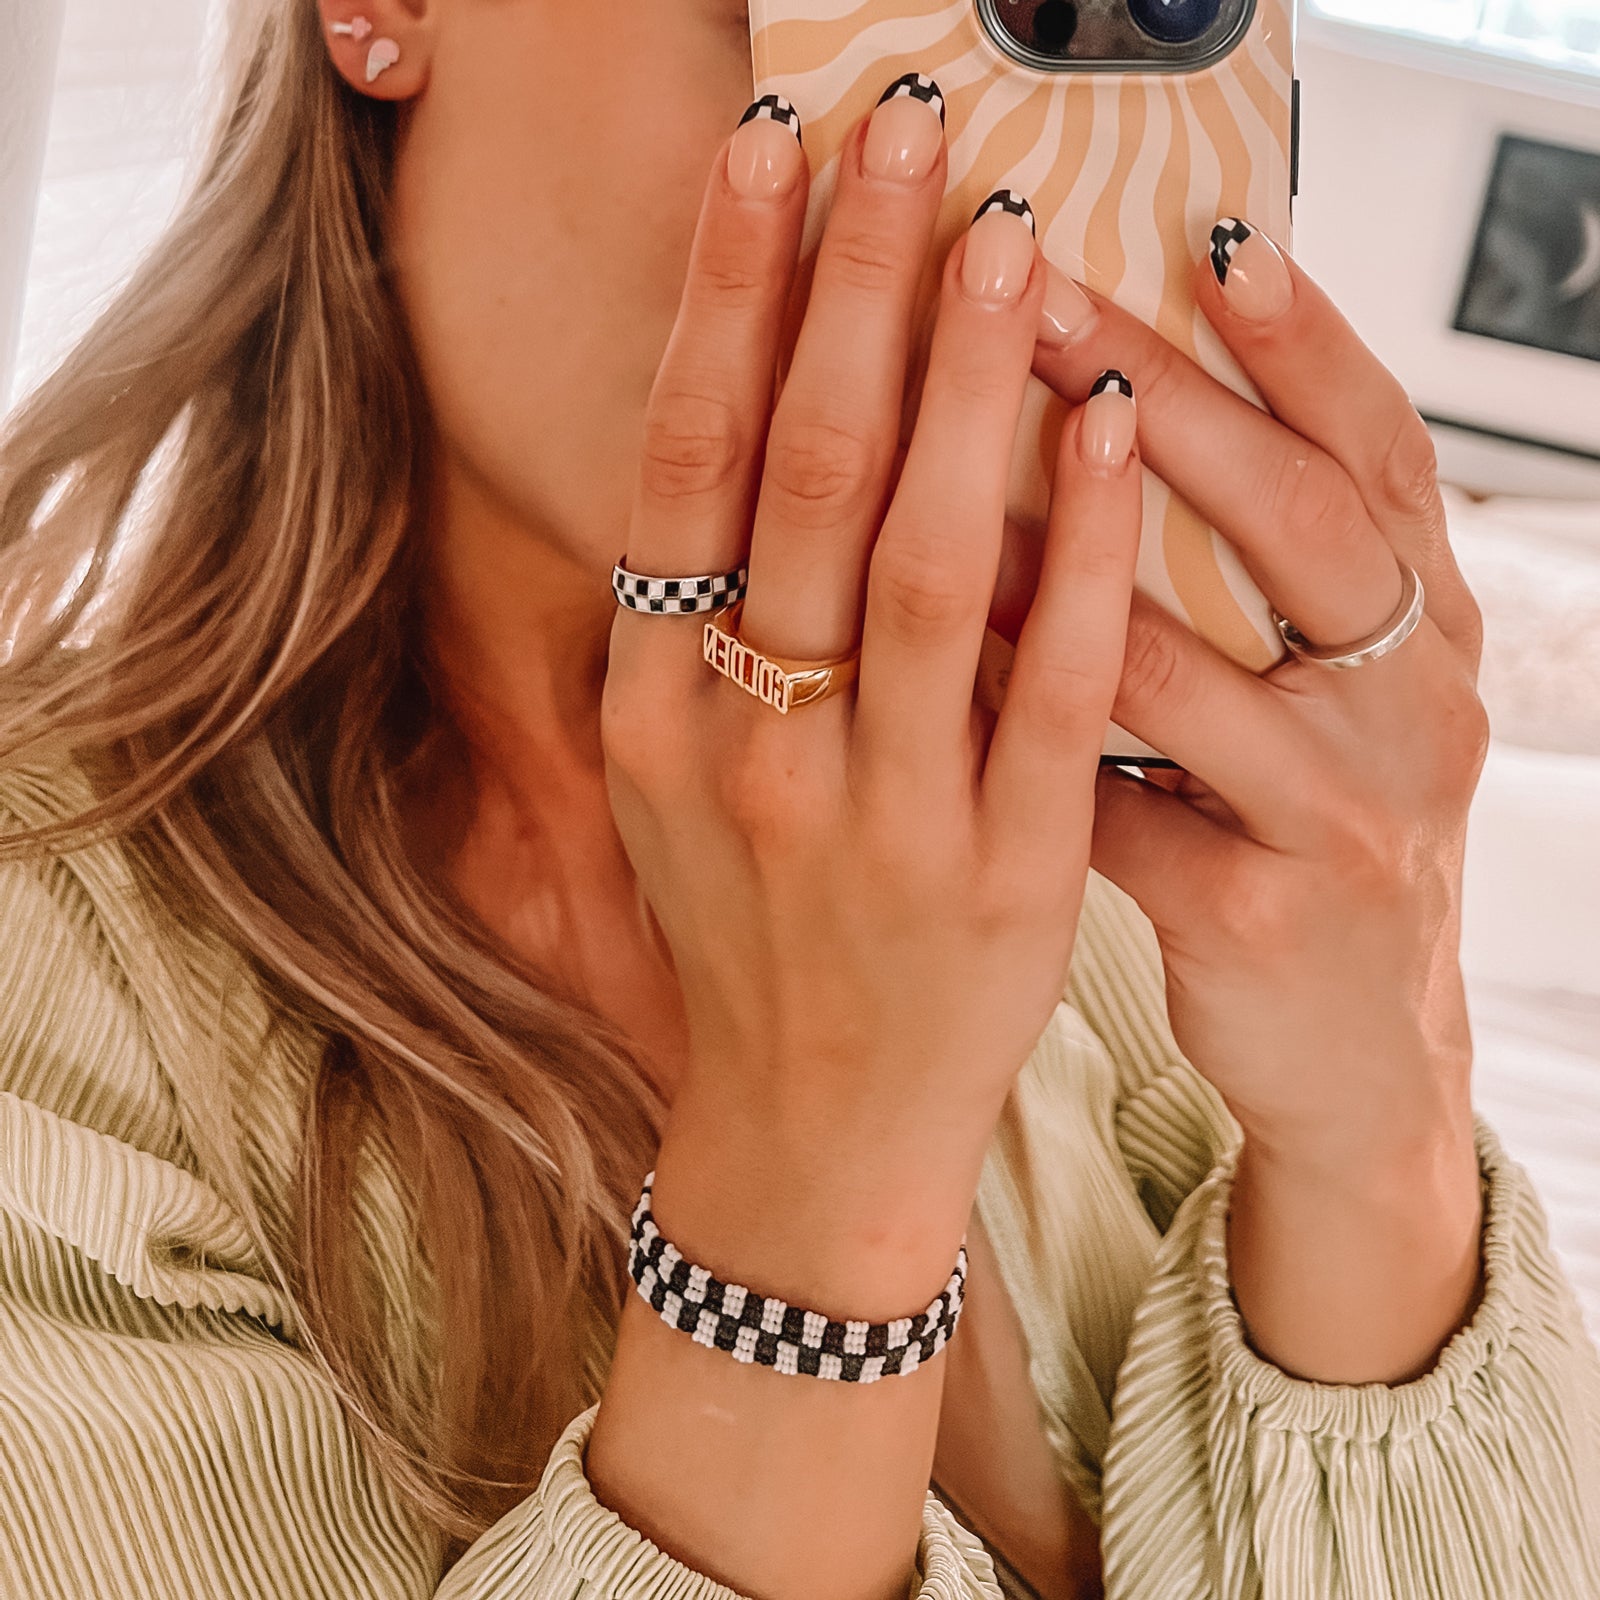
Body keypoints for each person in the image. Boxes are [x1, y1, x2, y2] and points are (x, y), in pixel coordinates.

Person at [0, 3, 1596, 1597]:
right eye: (802, 12)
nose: (921, 197)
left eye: (1007, 33)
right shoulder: (50, 1003)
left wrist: (1382, 1131)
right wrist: (815, 1181)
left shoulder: (1103, 879)